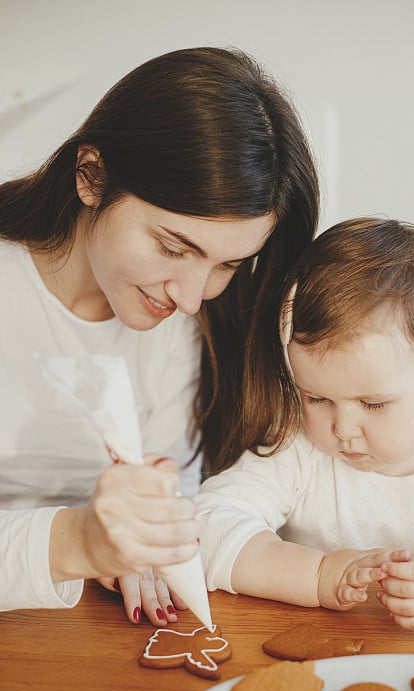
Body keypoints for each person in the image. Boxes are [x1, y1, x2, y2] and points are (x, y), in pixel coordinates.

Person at [0, 47, 319, 625]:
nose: (192, 297)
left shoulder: (189, 330)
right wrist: (76, 540)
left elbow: (181, 495)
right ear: (91, 176)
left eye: (227, 265)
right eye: (174, 247)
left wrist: (149, 537)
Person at [197, 216, 414, 630]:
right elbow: (207, 525)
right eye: (317, 398)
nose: (343, 429)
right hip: (320, 660)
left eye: (372, 404)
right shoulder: (297, 452)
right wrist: (318, 576)